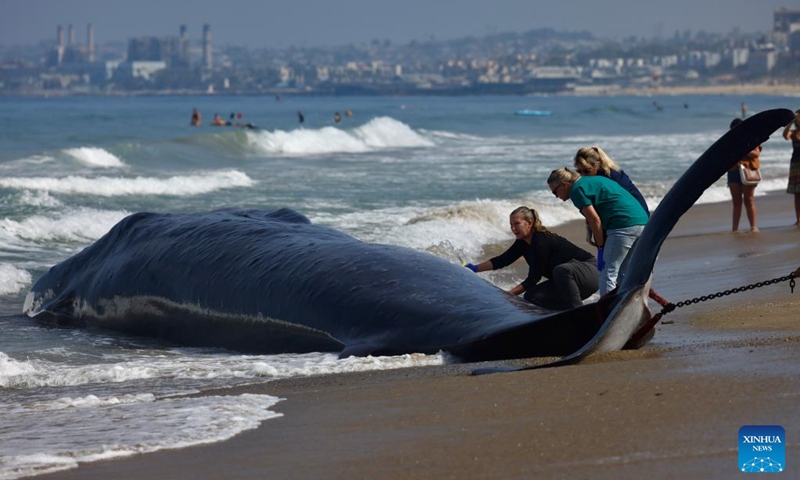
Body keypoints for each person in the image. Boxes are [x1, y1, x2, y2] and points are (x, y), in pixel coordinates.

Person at [463, 206, 598, 310]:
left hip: (590, 272)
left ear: (529, 223)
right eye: (511, 224)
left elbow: (533, 278)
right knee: (532, 296)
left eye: (517, 223)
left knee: (561, 270)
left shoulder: (541, 240)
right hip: (568, 284)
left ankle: (578, 312)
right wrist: (473, 268)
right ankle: (561, 316)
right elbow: (502, 260)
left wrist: (507, 295)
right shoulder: (523, 242)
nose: (513, 228)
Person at [548, 168, 649, 296]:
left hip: (622, 225)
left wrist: (601, 247)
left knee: (607, 272)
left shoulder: (576, 189)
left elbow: (595, 219)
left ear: (564, 184)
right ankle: (628, 302)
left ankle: (609, 311)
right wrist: (590, 230)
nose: (557, 197)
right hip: (642, 221)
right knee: (624, 270)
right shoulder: (593, 180)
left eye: (555, 192)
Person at [573, 146, 650, 216]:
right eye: (579, 171)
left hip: (636, 214)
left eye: (587, 170)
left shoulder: (610, 177)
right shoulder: (607, 174)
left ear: (597, 165)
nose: (582, 175)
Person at [727, 118, 760, 232]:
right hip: (733, 171)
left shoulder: (751, 138)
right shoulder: (729, 141)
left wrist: (743, 149)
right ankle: (734, 229)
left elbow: (756, 153)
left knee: (749, 200)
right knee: (736, 203)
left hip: (747, 170)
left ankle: (753, 227)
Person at [782, 109, 800, 227]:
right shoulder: (793, 132)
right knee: (796, 193)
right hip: (795, 164)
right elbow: (785, 135)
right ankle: (798, 219)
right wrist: (791, 121)